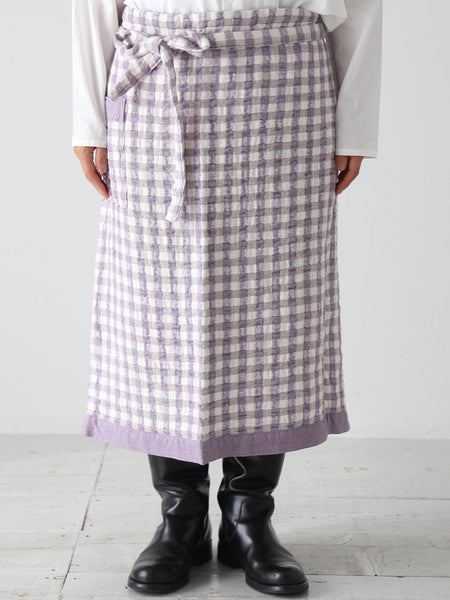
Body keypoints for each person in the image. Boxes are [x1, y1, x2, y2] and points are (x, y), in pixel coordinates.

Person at [72, 0, 382, 595]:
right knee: (161, 308)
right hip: (154, 85)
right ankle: (180, 517)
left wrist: (356, 121)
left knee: (275, 307)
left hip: (284, 86)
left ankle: (248, 519)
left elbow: (363, 5)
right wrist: (89, 118)